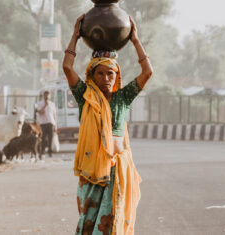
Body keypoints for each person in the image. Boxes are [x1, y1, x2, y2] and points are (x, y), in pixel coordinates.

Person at [63, 15, 153, 235]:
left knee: (113, 222)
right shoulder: (86, 96)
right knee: (89, 221)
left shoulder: (123, 98)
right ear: (92, 76)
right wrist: (75, 36)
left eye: (110, 73)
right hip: (93, 172)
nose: (106, 78)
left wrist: (135, 40)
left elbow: (148, 72)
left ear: (117, 75)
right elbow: (67, 67)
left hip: (118, 171)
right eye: (100, 73)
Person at [36, 91, 57, 157]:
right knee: (43, 138)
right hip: (43, 123)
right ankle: (42, 151)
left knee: (50, 138)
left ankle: (50, 152)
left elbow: (54, 115)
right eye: (45, 95)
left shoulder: (52, 104)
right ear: (43, 96)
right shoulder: (40, 103)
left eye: (48, 95)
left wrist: (55, 125)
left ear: (50, 96)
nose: (47, 97)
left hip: (51, 123)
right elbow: (40, 112)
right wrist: (45, 106)